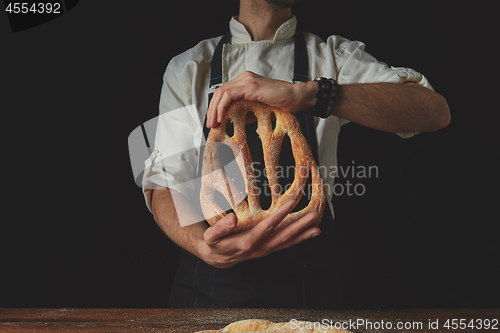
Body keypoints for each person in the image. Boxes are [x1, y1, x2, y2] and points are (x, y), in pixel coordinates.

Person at [142, 0, 450, 308]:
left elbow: (434, 111)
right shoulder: (188, 68)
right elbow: (164, 183)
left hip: (307, 296)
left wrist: (312, 94)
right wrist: (202, 246)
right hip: (207, 297)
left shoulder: (333, 58)